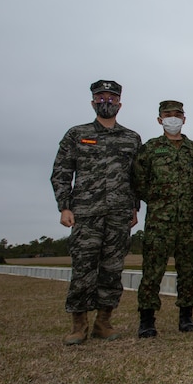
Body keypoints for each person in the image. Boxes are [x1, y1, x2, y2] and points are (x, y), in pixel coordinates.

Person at [51, 80, 141, 345]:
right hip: (85, 214)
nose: (106, 102)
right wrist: (64, 206)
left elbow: (135, 178)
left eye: (111, 98)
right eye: (100, 98)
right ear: (92, 102)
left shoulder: (131, 138)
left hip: (118, 214)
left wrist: (134, 208)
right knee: (83, 270)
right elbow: (61, 172)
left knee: (112, 270)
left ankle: (104, 322)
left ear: (119, 104)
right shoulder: (76, 134)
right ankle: (79, 325)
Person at [133, 100, 193, 338]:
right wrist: (158, 201)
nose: (173, 118)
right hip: (159, 221)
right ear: (159, 120)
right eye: (167, 115)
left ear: (184, 119)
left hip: (189, 220)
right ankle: (147, 319)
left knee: (188, 270)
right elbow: (139, 183)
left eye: (177, 115)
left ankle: (186, 316)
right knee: (152, 270)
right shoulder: (150, 149)